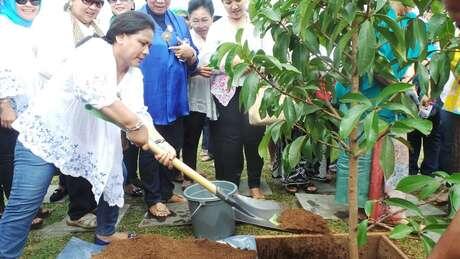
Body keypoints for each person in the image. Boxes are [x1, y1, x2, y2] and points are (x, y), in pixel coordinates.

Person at [0, 11, 177, 257]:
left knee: (116, 174)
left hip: (86, 141)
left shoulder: (134, 75)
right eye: (143, 43)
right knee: (23, 207)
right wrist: (134, 127)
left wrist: (161, 143)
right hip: (45, 139)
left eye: (149, 45)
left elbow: (139, 113)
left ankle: (105, 232)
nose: (146, 51)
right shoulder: (94, 50)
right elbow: (94, 93)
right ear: (121, 36)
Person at [33, 0, 106, 229]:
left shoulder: (95, 27)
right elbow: (46, 66)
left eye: (98, 3)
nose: (93, 7)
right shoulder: (56, 25)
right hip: (68, 105)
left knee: (89, 157)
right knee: (75, 160)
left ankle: (89, 203)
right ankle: (77, 213)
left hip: (90, 106)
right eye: (87, 1)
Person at [202, 0, 273, 199]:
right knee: (227, 140)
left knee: (254, 135)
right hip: (225, 92)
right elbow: (208, 59)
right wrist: (235, 63)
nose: (234, 6)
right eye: (228, 2)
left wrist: (256, 63)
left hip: (254, 89)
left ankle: (254, 184)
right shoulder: (217, 28)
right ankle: (228, 186)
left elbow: (269, 53)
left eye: (238, 0)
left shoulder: (258, 24)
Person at [138, 0, 199, 219]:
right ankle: (154, 198)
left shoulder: (179, 22)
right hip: (149, 95)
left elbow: (194, 61)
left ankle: (166, 190)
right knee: (150, 148)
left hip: (175, 98)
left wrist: (190, 52)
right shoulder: (137, 19)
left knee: (173, 146)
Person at [0, 0, 50, 229]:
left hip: (30, 104)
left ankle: (29, 206)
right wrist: (5, 104)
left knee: (27, 152)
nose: (29, 5)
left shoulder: (35, 26)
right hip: (9, 105)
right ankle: (18, 212)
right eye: (21, 0)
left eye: (35, 1)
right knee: (10, 156)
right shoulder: (3, 24)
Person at [181, 0, 218, 189]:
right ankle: (186, 176)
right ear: (189, 20)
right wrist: (196, 71)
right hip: (191, 94)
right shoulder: (185, 39)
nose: (201, 25)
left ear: (212, 18)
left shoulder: (218, 36)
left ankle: (192, 171)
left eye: (205, 19)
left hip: (215, 93)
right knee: (190, 137)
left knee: (209, 135)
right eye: (196, 20)